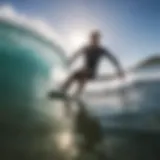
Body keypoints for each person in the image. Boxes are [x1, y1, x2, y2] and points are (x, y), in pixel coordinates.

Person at [51, 30, 125, 98]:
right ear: (90, 39)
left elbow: (113, 59)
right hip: (84, 70)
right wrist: (70, 61)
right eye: (93, 38)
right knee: (77, 77)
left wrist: (120, 70)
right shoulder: (86, 48)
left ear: (99, 40)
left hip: (92, 72)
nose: (94, 40)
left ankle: (67, 92)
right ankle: (71, 94)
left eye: (96, 38)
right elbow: (76, 54)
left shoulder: (101, 50)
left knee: (78, 74)